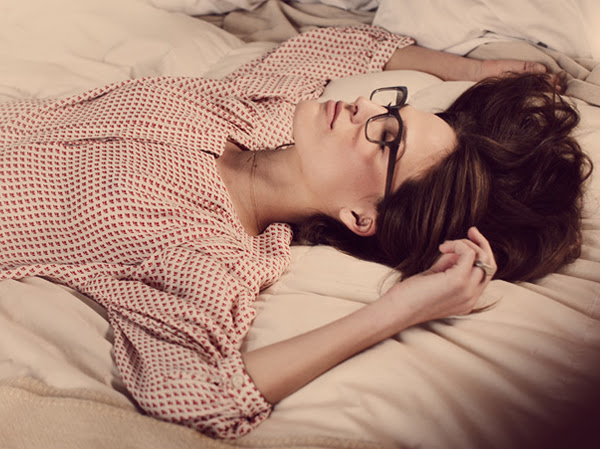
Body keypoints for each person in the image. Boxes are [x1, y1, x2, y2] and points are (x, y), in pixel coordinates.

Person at [0, 25, 591, 439]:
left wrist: (401, 310)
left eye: (386, 138)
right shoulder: (258, 108)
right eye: (389, 108)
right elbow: (342, 43)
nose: (364, 109)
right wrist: (477, 71)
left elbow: (199, 395)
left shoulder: (212, 253)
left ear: (362, 217)